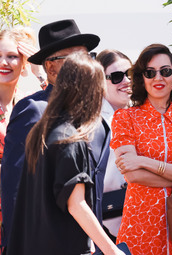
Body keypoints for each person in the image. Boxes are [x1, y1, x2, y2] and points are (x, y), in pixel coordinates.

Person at [0, 19, 110, 254]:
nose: (86, 64)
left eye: (88, 56)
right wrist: (13, 244)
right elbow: (15, 187)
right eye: (75, 59)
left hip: (89, 245)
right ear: (51, 67)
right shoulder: (35, 110)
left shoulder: (95, 117)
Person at [110, 43, 172, 254]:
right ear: (141, 77)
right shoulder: (124, 118)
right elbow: (133, 175)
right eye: (150, 72)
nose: (158, 78)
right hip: (140, 226)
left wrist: (143, 161)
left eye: (165, 71)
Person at [0, 26, 46, 248]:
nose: (4, 63)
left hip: (22, 209)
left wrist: (40, 72)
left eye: (12, 56)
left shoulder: (28, 105)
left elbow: (64, 112)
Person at [96, 49, 132, 241]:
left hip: (138, 220)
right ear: (100, 82)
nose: (126, 81)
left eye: (131, 74)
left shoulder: (139, 116)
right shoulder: (92, 123)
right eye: (117, 77)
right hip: (105, 227)